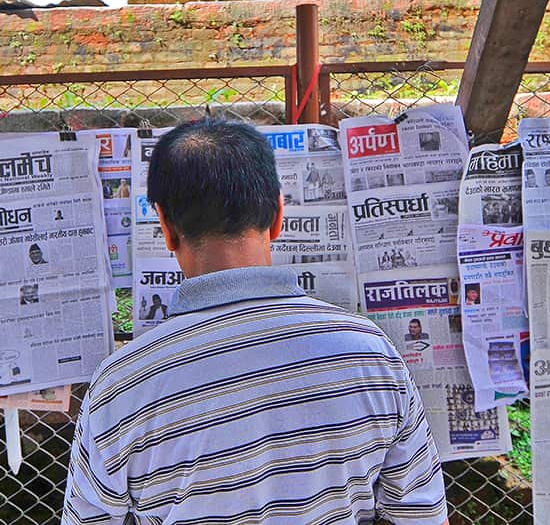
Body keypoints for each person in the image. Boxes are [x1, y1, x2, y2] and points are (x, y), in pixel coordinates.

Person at [64, 118, 448, 525]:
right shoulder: (372, 355)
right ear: (278, 214)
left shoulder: (121, 387)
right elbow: (423, 516)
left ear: (166, 227)